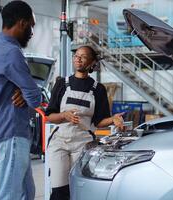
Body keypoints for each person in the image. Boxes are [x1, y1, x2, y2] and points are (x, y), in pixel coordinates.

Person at [46, 45, 125, 200]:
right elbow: (49, 116)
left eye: (83, 56)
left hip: (83, 145)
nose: (78, 58)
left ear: (91, 63)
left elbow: (99, 121)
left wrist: (113, 119)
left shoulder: (98, 89)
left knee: (78, 189)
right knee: (59, 191)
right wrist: (64, 115)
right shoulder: (62, 83)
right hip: (60, 142)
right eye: (76, 55)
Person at [0, 1, 41, 200]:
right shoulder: (11, 53)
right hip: (11, 132)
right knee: (10, 195)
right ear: (22, 23)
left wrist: (23, 92)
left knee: (26, 192)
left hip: (7, 130)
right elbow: (34, 97)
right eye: (31, 26)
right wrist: (27, 93)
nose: (32, 32)